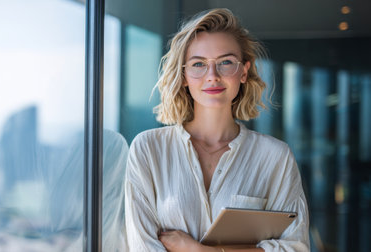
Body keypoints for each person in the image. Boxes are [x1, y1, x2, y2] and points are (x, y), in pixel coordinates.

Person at [124, 8, 309, 252]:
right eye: (198, 64)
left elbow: (294, 247)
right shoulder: (148, 149)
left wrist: (200, 251)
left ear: (243, 72)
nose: (212, 76)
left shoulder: (276, 156)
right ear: (184, 76)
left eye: (225, 62)